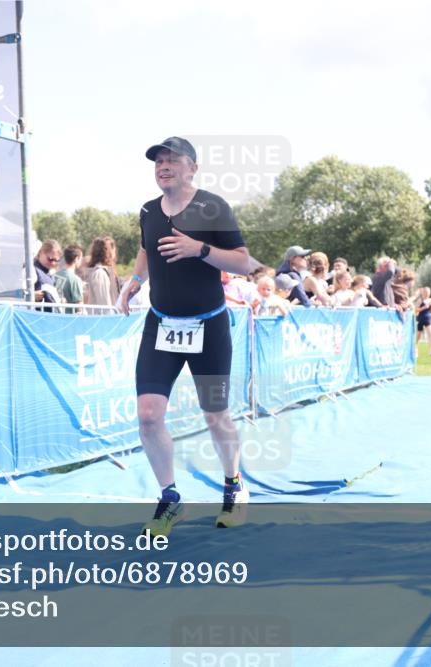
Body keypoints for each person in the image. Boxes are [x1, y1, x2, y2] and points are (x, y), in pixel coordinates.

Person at [117, 136, 252, 536]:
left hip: (209, 326)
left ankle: (233, 484)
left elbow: (244, 263)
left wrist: (199, 249)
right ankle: (170, 498)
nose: (163, 166)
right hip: (161, 325)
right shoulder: (147, 210)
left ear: (192, 167)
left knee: (215, 416)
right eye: (158, 161)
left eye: (172, 159)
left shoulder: (213, 207)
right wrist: (136, 280)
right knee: (148, 415)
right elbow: (146, 249)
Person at [32, 239, 62, 305]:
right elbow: (19, 294)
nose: (53, 263)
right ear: (41, 252)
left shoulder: (51, 273)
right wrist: (32, 295)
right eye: (50, 259)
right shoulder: (31, 270)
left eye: (56, 260)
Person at [415, 286, 431, 356]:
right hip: (421, 318)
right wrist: (423, 307)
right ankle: (416, 349)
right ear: (423, 292)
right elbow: (416, 309)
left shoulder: (430, 300)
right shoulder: (420, 300)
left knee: (430, 334)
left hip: (428, 318)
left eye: (428, 292)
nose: (427, 294)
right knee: (418, 335)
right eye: (425, 292)